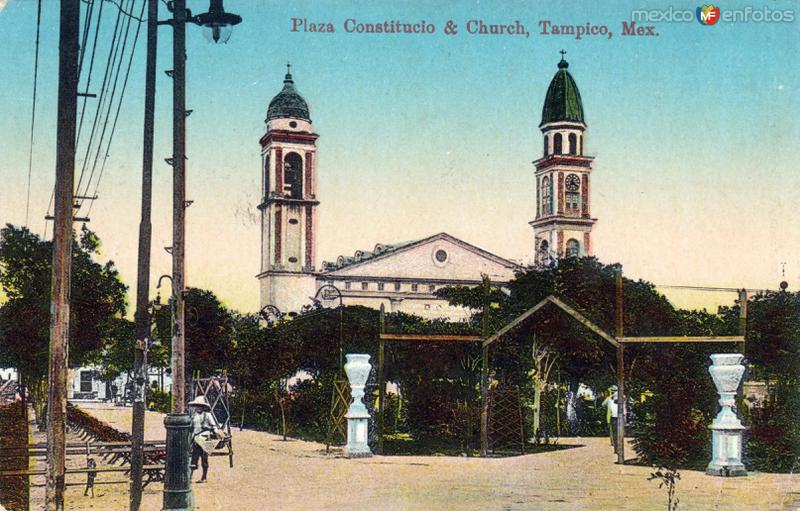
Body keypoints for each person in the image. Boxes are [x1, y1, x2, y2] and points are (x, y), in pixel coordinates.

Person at [188, 395, 217, 483]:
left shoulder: (207, 415)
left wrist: (209, 428)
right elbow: (191, 427)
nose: (198, 407)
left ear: (203, 407)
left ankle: (204, 477)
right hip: (196, 439)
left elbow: (214, 427)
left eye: (199, 406)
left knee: (204, 458)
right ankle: (190, 478)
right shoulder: (193, 416)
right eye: (196, 406)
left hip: (205, 439)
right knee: (194, 458)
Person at [602, 385, 619, 454]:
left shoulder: (609, 399)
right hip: (615, 416)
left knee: (612, 431)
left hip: (612, 416)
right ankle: (615, 444)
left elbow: (603, 404)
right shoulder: (621, 397)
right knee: (616, 431)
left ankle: (613, 443)